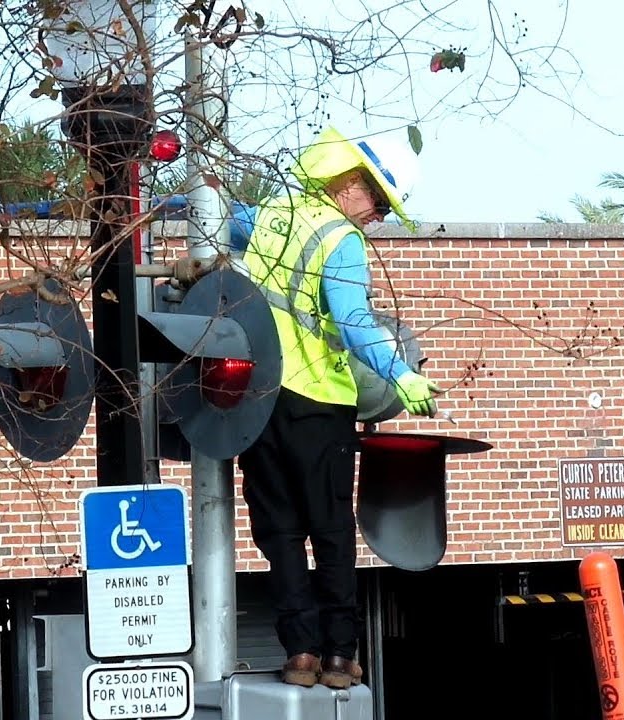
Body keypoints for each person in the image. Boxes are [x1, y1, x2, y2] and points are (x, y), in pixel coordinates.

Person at [238, 127, 442, 690]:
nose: (377, 216)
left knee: (277, 530)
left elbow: (217, 220)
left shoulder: (272, 212)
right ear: (350, 183)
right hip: (318, 402)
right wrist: (401, 375)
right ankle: (336, 656)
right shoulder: (340, 240)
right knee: (329, 529)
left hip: (256, 400)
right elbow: (353, 323)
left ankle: (298, 652)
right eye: (378, 201)